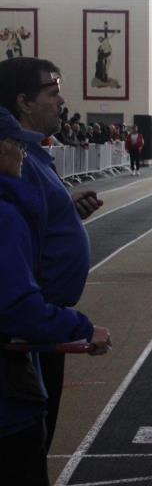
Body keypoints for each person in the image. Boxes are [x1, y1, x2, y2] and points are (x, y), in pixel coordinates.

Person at [0, 114, 112, 486]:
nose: (22, 154)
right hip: (8, 397)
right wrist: (80, 327)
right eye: (17, 146)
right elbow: (18, 307)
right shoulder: (6, 215)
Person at [0, 58, 104, 454]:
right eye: (52, 92)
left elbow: (33, 223)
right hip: (29, 331)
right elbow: (14, 247)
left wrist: (65, 213)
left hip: (39, 323)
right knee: (26, 444)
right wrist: (73, 327)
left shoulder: (33, 156)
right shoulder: (18, 162)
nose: (61, 101)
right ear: (24, 101)